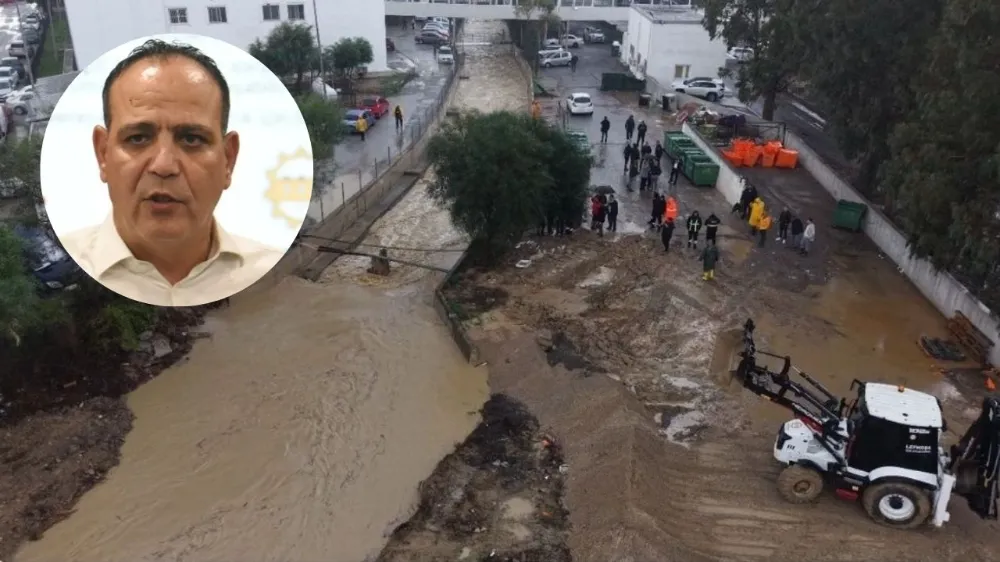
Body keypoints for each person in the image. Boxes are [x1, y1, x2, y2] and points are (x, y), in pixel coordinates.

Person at [62, 39, 283, 307]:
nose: (164, 166)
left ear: (228, 159)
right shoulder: (69, 270)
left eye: (191, 139)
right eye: (137, 138)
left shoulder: (267, 268)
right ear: (103, 154)